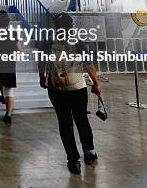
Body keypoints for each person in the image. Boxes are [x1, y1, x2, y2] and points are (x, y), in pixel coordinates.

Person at [38, 13, 101, 175]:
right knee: (82, 120)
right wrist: (96, 84)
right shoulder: (77, 41)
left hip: (56, 87)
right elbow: (88, 65)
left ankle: (73, 161)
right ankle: (89, 153)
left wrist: (42, 77)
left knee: (65, 123)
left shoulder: (48, 41)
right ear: (71, 25)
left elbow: (42, 60)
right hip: (77, 87)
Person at [0, 11, 20, 123]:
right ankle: (8, 114)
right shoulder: (13, 33)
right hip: (9, 63)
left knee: (0, 79)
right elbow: (18, 49)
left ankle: (2, 96)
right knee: (9, 90)